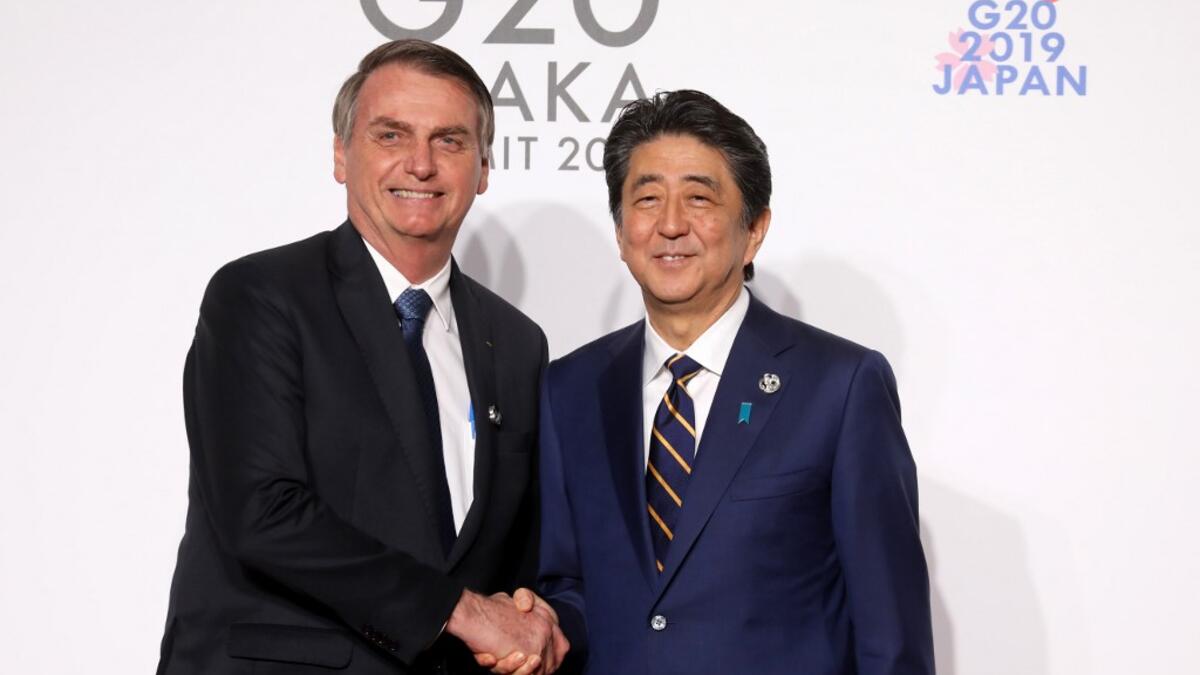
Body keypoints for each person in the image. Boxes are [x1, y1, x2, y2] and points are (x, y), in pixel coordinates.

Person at [157, 40, 567, 675]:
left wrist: (530, 616)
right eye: (391, 135)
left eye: (451, 141)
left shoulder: (517, 342)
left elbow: (514, 549)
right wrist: (458, 609)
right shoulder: (260, 296)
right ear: (341, 155)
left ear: (484, 169)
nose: (421, 164)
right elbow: (262, 513)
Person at [536, 90, 935, 674]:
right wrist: (544, 622)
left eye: (699, 198)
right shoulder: (570, 389)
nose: (670, 224)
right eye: (646, 199)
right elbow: (569, 582)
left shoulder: (840, 387)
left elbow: (890, 635)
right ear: (621, 233)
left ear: (754, 229)